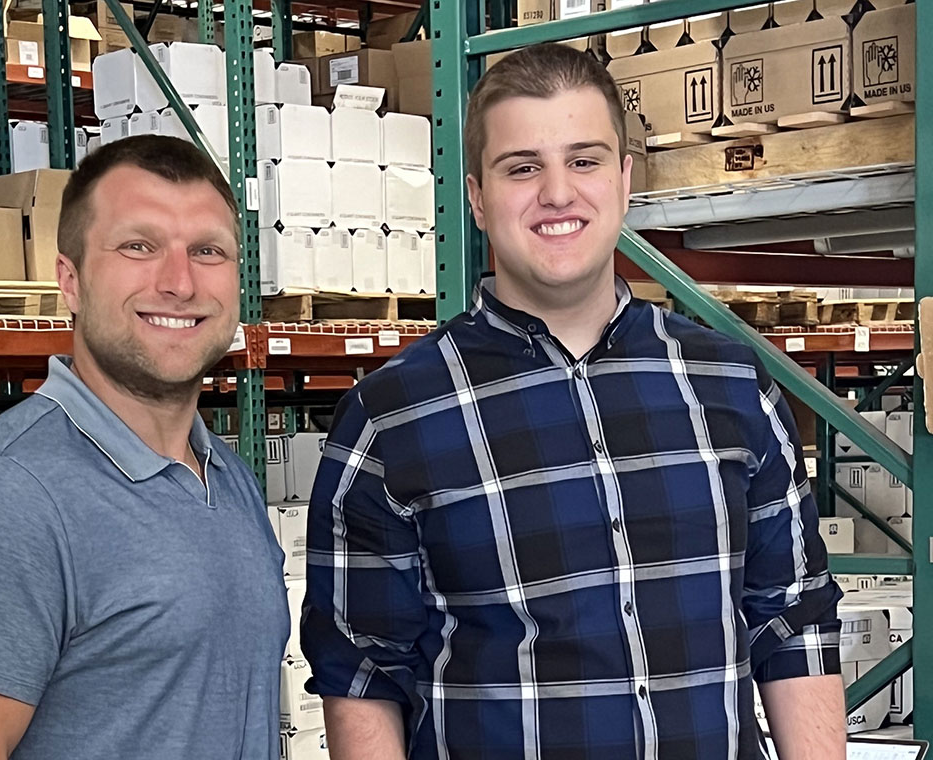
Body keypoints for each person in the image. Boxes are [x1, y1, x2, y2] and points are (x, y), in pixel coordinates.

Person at [301, 44, 844, 760]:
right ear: (476, 195)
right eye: (522, 167)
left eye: (584, 161)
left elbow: (793, 621)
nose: (558, 193)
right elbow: (363, 672)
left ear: (623, 181)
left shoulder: (731, 386)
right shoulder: (393, 419)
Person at [0, 135, 288, 760]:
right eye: (139, 246)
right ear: (70, 281)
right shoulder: (4, 497)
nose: (180, 283)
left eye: (208, 251)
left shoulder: (226, 477)